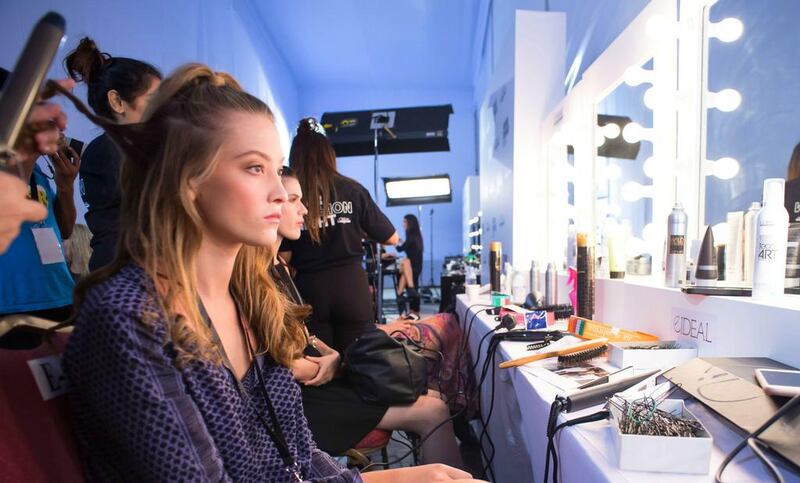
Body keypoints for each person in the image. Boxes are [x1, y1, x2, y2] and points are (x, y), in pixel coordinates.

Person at [60, 63, 479, 483]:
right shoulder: (130, 319)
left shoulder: (248, 300)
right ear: (188, 179)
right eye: (254, 168)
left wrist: (390, 478)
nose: (280, 194)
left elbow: (296, 456)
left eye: (277, 169)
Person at [273, 168, 464, 467]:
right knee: (435, 411)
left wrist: (336, 359)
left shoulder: (283, 269)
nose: (305, 209)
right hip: (303, 401)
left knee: (437, 399)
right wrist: (336, 366)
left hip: (318, 380)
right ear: (272, 202)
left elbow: (302, 341)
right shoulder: (260, 277)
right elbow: (277, 366)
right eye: (294, 199)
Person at [280, 118, 399, 354]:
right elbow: (391, 238)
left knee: (317, 359)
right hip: (350, 286)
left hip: (308, 290)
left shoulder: (291, 195)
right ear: (329, 154)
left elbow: (284, 255)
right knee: (360, 360)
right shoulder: (352, 190)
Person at [64, 37, 162, 271]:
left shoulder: (105, 149)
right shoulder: (113, 149)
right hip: (128, 274)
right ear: (117, 101)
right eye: (154, 100)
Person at [0, 71, 79, 321]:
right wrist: (32, 149)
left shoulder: (39, 173)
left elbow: (64, 230)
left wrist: (65, 184)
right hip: (13, 306)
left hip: (60, 296)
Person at [395, 214, 423, 315]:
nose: (403, 224)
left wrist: (395, 241)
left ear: (410, 223)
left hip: (412, 266)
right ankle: (414, 310)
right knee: (414, 286)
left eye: (405, 222)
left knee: (412, 286)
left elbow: (400, 249)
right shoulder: (416, 236)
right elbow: (408, 247)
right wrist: (402, 242)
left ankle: (400, 296)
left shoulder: (410, 236)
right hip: (416, 266)